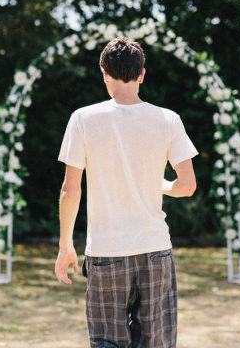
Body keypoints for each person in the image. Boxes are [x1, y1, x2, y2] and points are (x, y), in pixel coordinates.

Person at [55, 36, 198, 348]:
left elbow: (70, 190)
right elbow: (187, 186)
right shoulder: (168, 119)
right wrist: (155, 183)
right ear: (142, 74)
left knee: (108, 342)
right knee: (157, 342)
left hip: (106, 252)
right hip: (155, 250)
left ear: (104, 73)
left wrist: (66, 245)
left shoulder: (83, 118)